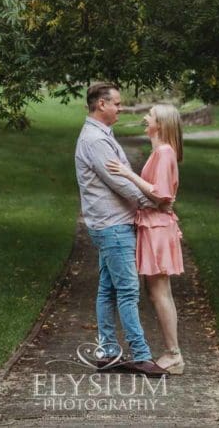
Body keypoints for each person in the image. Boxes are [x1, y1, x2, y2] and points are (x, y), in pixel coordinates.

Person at [74, 82, 167, 377]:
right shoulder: (95, 140)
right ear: (101, 104)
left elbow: (121, 177)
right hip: (112, 225)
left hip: (110, 223)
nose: (120, 107)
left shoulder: (102, 135)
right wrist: (152, 203)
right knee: (128, 291)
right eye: (116, 103)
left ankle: (108, 353)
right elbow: (120, 183)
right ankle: (141, 355)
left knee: (108, 290)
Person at [106, 103, 186, 375]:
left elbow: (161, 194)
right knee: (158, 292)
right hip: (154, 226)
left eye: (149, 116)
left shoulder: (164, 152)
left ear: (160, 124)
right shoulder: (161, 152)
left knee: (160, 292)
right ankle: (172, 352)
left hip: (157, 229)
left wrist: (127, 174)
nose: (144, 117)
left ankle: (174, 354)